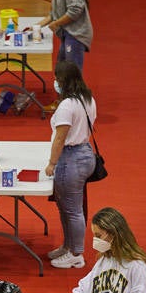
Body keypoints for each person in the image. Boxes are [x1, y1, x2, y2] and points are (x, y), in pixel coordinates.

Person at [44, 60, 97, 269]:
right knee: (66, 206)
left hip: (70, 158)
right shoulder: (88, 99)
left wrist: (51, 163)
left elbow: (60, 138)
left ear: (63, 80)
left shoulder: (67, 105)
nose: (55, 82)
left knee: (72, 210)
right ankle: (68, 246)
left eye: (57, 78)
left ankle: (77, 254)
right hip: (85, 153)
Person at [39, 0, 93, 72]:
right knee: (62, 68)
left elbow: (75, 10)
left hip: (75, 35)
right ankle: (65, 89)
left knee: (72, 70)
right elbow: (53, 14)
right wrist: (37, 26)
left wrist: (56, 23)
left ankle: (75, 90)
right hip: (67, 34)